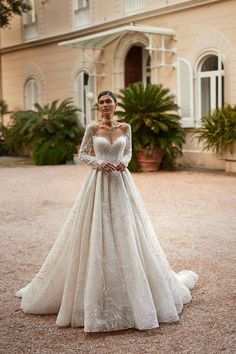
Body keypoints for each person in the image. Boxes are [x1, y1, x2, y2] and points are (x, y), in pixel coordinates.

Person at [16, 90, 198, 332]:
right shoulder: (92, 129)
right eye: (101, 102)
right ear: (98, 106)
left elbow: (129, 151)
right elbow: (81, 154)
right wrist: (99, 163)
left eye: (108, 102)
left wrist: (125, 161)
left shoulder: (125, 127)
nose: (104, 105)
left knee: (128, 229)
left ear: (115, 104)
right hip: (98, 183)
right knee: (95, 229)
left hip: (122, 182)